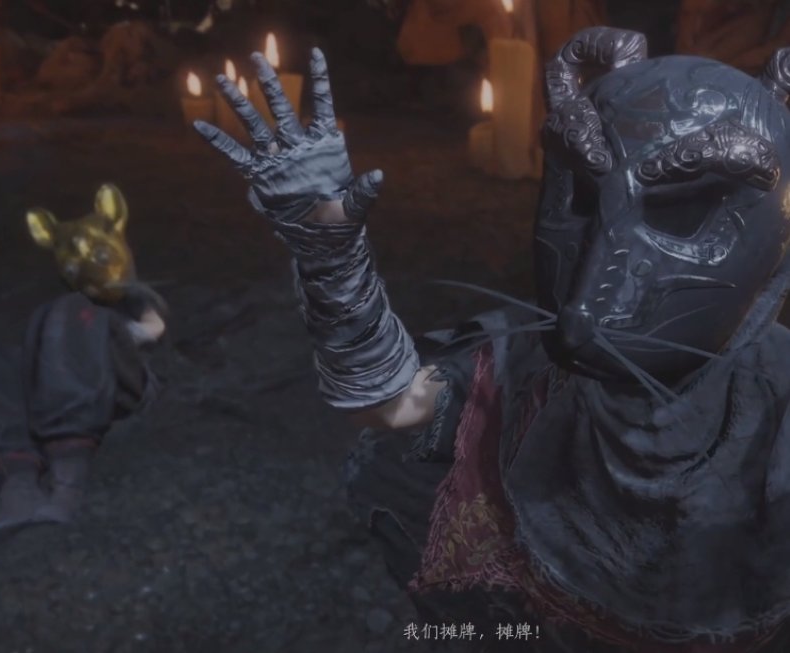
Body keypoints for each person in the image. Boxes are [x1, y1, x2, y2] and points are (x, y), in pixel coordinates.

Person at [195, 28, 790, 651]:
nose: (586, 302)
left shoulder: (774, 399)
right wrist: (332, 257)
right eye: (583, 199)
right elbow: (394, 402)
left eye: (681, 213)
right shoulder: (530, 362)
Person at [0, 184, 165, 551]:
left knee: (73, 313)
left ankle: (67, 482)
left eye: (99, 254)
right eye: (74, 265)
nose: (87, 268)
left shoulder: (98, 308)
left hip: (118, 379)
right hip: (63, 374)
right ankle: (17, 484)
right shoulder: (62, 310)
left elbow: (152, 328)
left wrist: (106, 332)